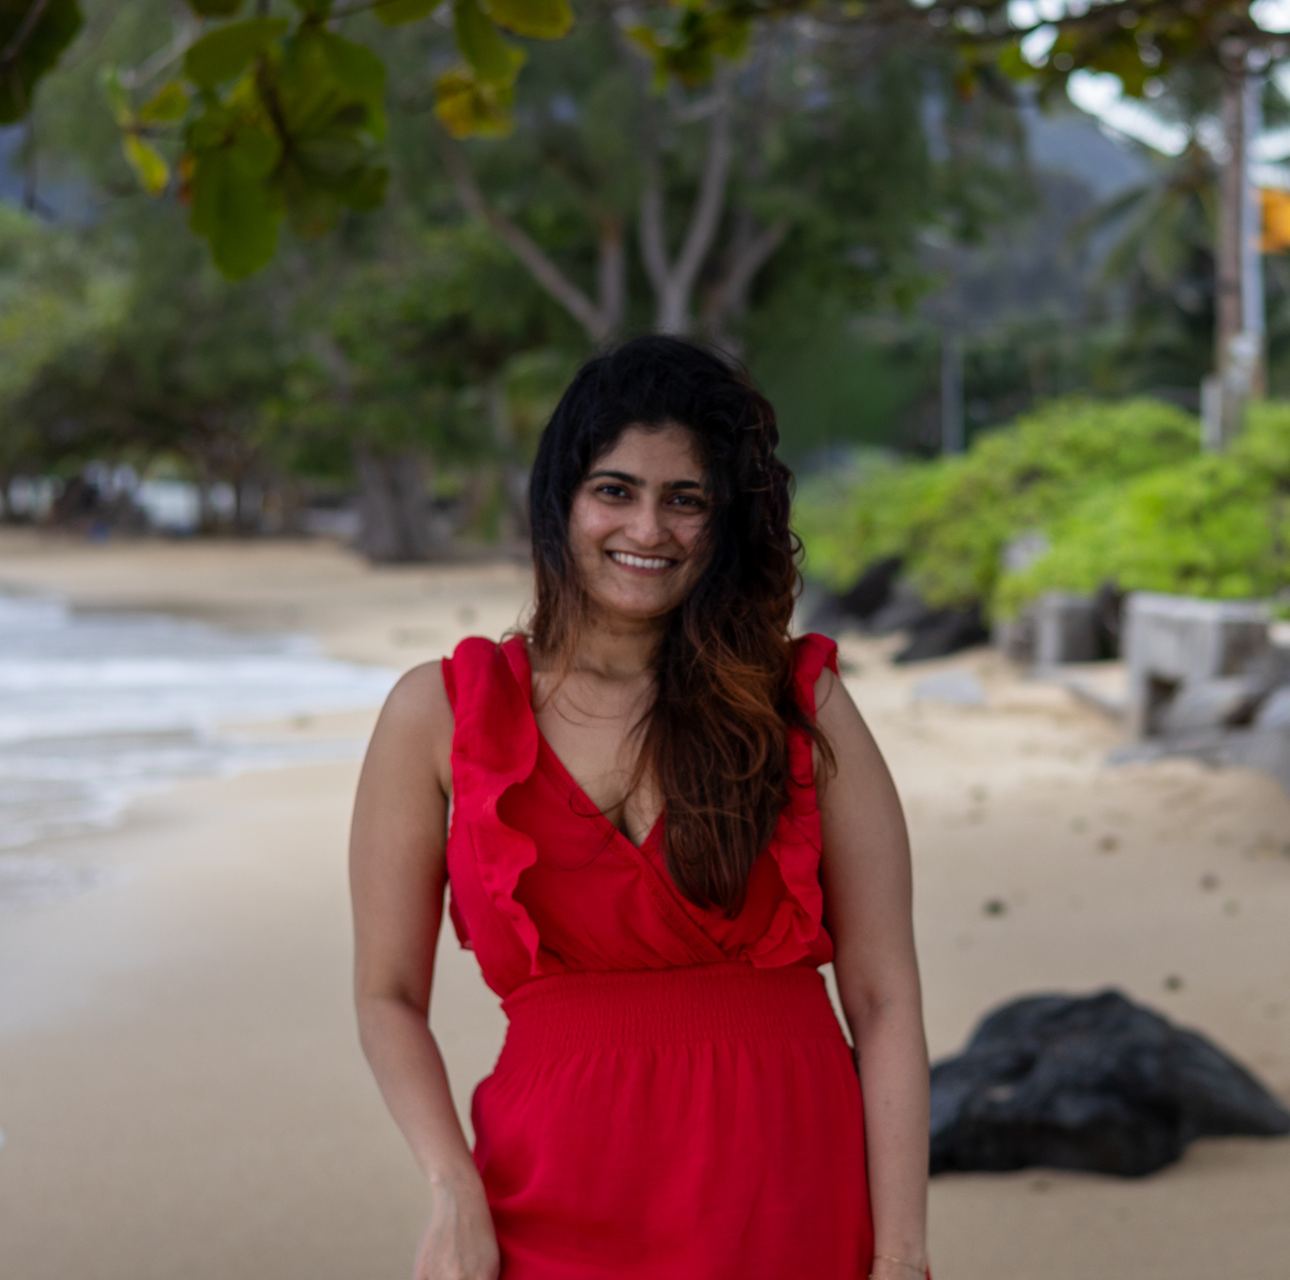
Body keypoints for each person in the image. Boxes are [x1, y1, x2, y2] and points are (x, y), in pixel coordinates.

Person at [350, 336, 930, 1280]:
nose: (648, 529)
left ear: (723, 521)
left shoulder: (800, 702)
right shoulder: (439, 712)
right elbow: (387, 996)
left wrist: (902, 1256)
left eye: (685, 499)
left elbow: (885, 996)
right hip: (545, 1195)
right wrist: (451, 1187)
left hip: (787, 1194)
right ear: (561, 501)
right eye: (615, 490)